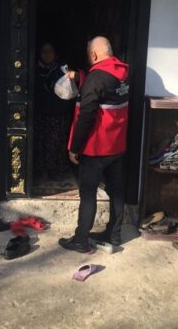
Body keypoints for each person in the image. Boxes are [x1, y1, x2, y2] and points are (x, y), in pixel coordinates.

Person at [59, 36, 129, 253]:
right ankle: (113, 235)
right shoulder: (123, 73)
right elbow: (104, 87)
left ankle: (81, 239)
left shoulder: (95, 79)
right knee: (116, 191)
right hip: (116, 145)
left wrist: (74, 147)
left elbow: (86, 115)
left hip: (96, 147)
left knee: (88, 193)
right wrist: (80, 76)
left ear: (94, 54)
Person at [33, 43, 74, 183]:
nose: (47, 54)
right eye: (43, 51)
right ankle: (42, 171)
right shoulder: (34, 69)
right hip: (41, 113)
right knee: (41, 143)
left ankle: (56, 171)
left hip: (59, 113)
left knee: (57, 143)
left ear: (55, 53)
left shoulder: (62, 69)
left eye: (50, 50)